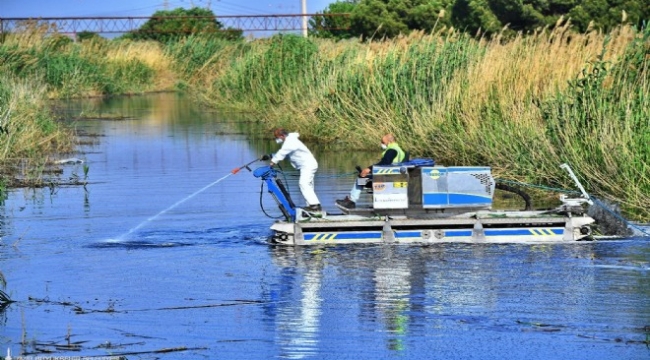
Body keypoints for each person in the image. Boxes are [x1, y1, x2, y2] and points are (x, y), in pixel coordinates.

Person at [336, 133, 406, 209]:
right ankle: (377, 203)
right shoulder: (400, 150)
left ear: (389, 142)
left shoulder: (391, 150)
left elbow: (385, 162)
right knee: (366, 177)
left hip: (386, 180)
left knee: (360, 179)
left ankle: (351, 201)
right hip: (395, 178)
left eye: (383, 142)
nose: (381, 144)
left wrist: (368, 169)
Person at [268, 128, 323, 214]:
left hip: (307, 165)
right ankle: (311, 207)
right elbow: (287, 155)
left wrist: (273, 162)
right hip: (306, 166)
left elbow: (282, 153)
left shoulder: (290, 142)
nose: (277, 139)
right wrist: (270, 156)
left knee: (303, 184)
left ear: (282, 136)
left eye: (277, 137)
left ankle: (315, 206)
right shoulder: (290, 141)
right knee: (308, 186)